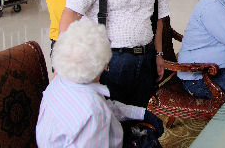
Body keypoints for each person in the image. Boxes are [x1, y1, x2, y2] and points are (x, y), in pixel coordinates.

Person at [37, 17, 164, 148]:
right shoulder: (94, 112)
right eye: (105, 62)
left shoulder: (58, 83)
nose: (106, 67)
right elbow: (99, 109)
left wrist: (141, 113)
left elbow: (107, 105)